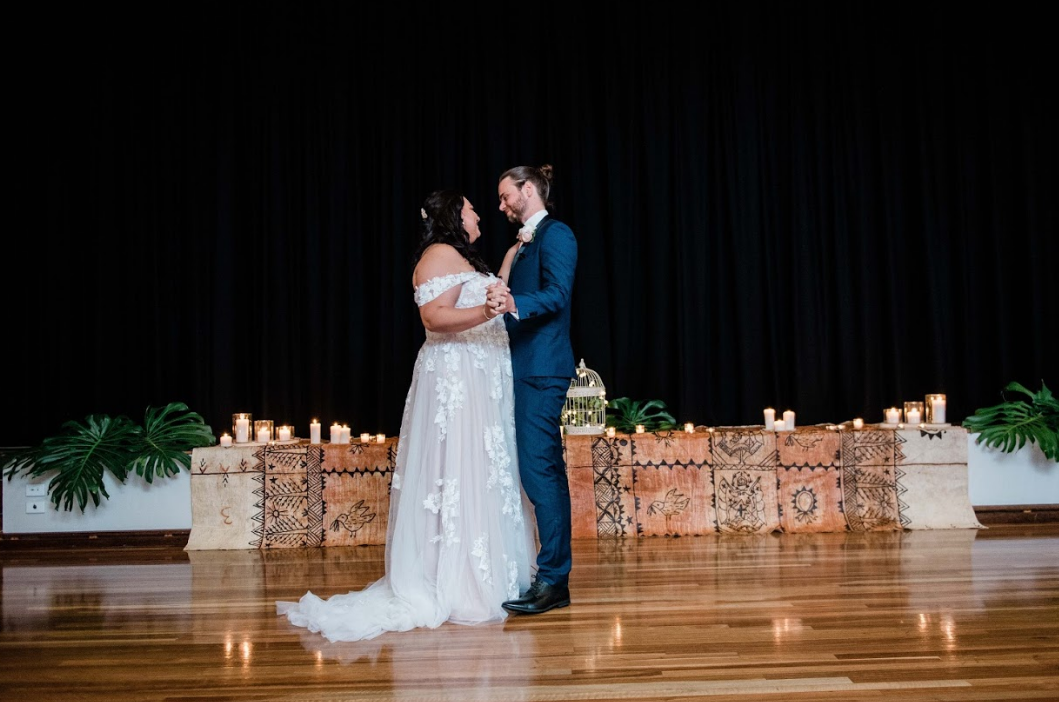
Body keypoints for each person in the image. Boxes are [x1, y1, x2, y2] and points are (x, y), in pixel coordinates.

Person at [277, 189, 535, 642]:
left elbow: (487, 290)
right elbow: (435, 318)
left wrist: (511, 259)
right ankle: (458, 584)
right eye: (473, 208)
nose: (479, 214)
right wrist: (486, 309)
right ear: (455, 216)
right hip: (458, 378)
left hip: (478, 378)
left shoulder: (461, 258)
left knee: (479, 472)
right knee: (458, 472)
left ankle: (482, 577)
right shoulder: (438, 255)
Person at [486, 164, 578, 615]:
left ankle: (554, 580)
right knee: (537, 471)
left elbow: (558, 293)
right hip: (521, 367)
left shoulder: (556, 234)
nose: (501, 205)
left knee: (540, 471)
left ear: (528, 189)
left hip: (542, 369)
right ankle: (550, 575)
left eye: (506, 196)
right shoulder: (523, 243)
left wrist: (516, 303)